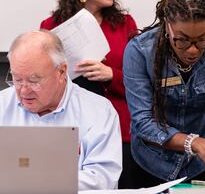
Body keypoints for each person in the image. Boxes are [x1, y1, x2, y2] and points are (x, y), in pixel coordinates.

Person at [123, 0, 205, 189]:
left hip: (199, 166)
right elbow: (143, 122)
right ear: (167, 25)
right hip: (150, 163)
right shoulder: (140, 51)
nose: (193, 50)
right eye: (183, 40)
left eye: (203, 39)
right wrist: (193, 142)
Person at [39, 0, 137, 188]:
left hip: (121, 131)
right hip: (69, 131)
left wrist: (111, 75)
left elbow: (143, 84)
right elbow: (41, 80)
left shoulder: (125, 25)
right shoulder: (50, 26)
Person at [0, 30, 122, 190]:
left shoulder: (99, 112)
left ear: (61, 71)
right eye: (17, 79)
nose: (23, 91)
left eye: (34, 80)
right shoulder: (3, 104)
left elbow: (102, 179)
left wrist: (34, 182)